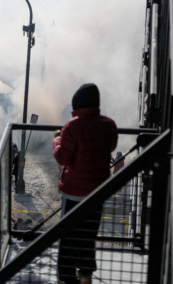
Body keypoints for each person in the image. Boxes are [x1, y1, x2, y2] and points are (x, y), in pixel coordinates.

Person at [53, 84, 117, 284]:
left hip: (74, 193)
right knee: (88, 237)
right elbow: (112, 146)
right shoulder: (109, 124)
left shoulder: (72, 127)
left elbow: (63, 157)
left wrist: (57, 140)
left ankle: (67, 279)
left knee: (68, 239)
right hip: (97, 192)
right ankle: (86, 278)